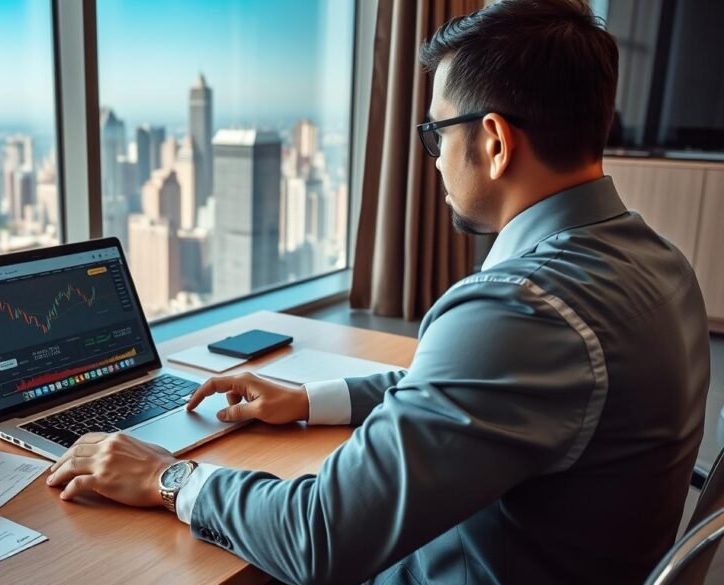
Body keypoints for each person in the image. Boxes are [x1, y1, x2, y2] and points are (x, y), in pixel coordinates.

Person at [46, 1, 711, 582]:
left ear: (494, 142)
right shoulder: (660, 263)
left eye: (436, 134)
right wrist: (309, 400)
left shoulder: (521, 309)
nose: (435, 158)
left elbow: (318, 537)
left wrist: (166, 477)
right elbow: (470, 393)